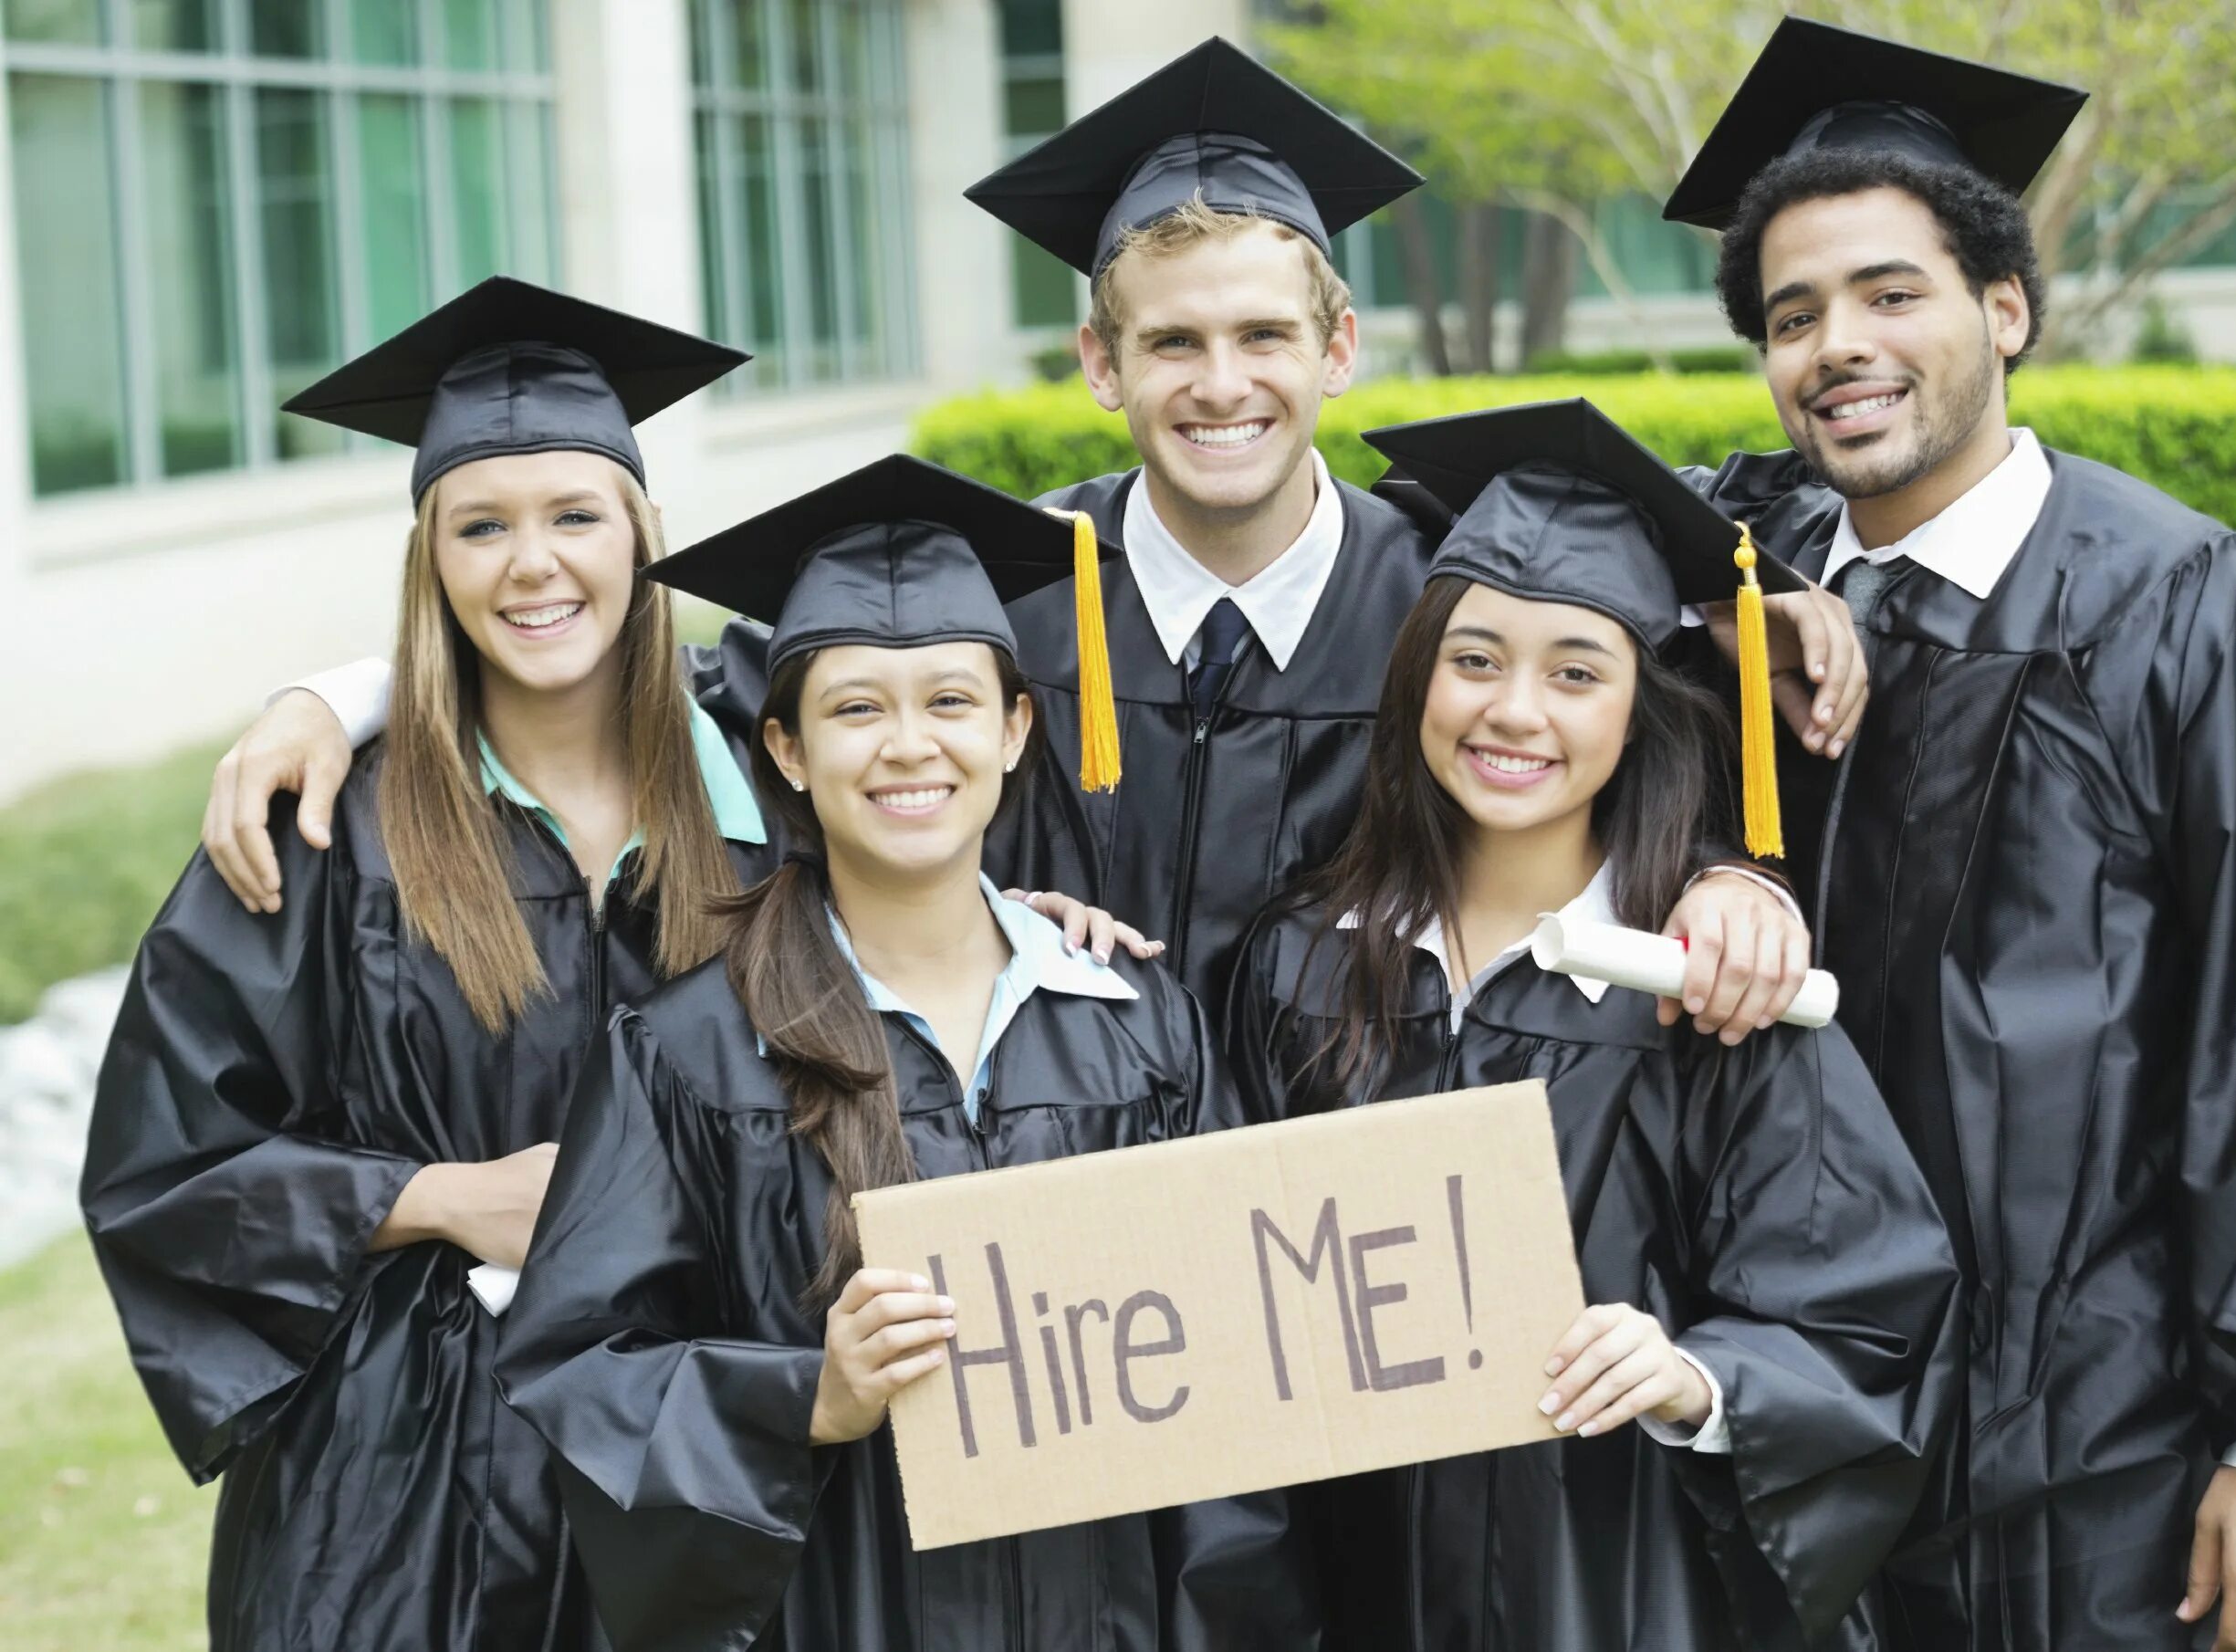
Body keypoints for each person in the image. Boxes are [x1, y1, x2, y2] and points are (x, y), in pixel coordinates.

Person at [197, 39, 1823, 1056]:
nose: (1221, 384)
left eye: (1265, 335)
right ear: (1101, 368)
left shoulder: (1457, 602)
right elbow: (649, 685)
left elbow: (1674, 715)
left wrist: (1745, 870)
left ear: (1339, 347)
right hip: (1049, 1219)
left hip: (1368, 1226)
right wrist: (340, 693)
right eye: (1171, 344)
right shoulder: (981, 593)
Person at [1660, 19, 2236, 1652]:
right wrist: (1716, 612)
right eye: (1794, 319)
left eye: (1889, 292)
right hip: (1819, 1418)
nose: (1837, 347)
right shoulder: (1730, 586)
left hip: (2116, 1445)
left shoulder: (2191, 604)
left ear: (2008, 311)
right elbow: (1475, 541)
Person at [495, 455, 1308, 1652]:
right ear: (785, 748)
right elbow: (574, 1372)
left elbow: (1241, 1399)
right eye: (857, 708)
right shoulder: (689, 1053)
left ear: (1018, 727)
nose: (908, 746)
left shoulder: (1139, 1023)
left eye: (951, 701)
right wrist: (800, 1398)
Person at [79, 277, 771, 1652]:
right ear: (430, 559)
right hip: (402, 1484)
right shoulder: (332, 830)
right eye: (482, 525)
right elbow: (165, 1171)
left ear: (641, 534)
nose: (534, 564)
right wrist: (442, 1196)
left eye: (576, 514)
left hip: (704, 1436)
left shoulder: (764, 775)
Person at [1227, 398, 1959, 1650]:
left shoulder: (1712, 989)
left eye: (1576, 671)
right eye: (1475, 659)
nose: (1516, 710)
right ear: (1415, 681)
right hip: (1359, 1590)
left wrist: (1699, 1376)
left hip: (1642, 1595)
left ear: (1636, 711)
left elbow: (1868, 1309)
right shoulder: (1298, 961)